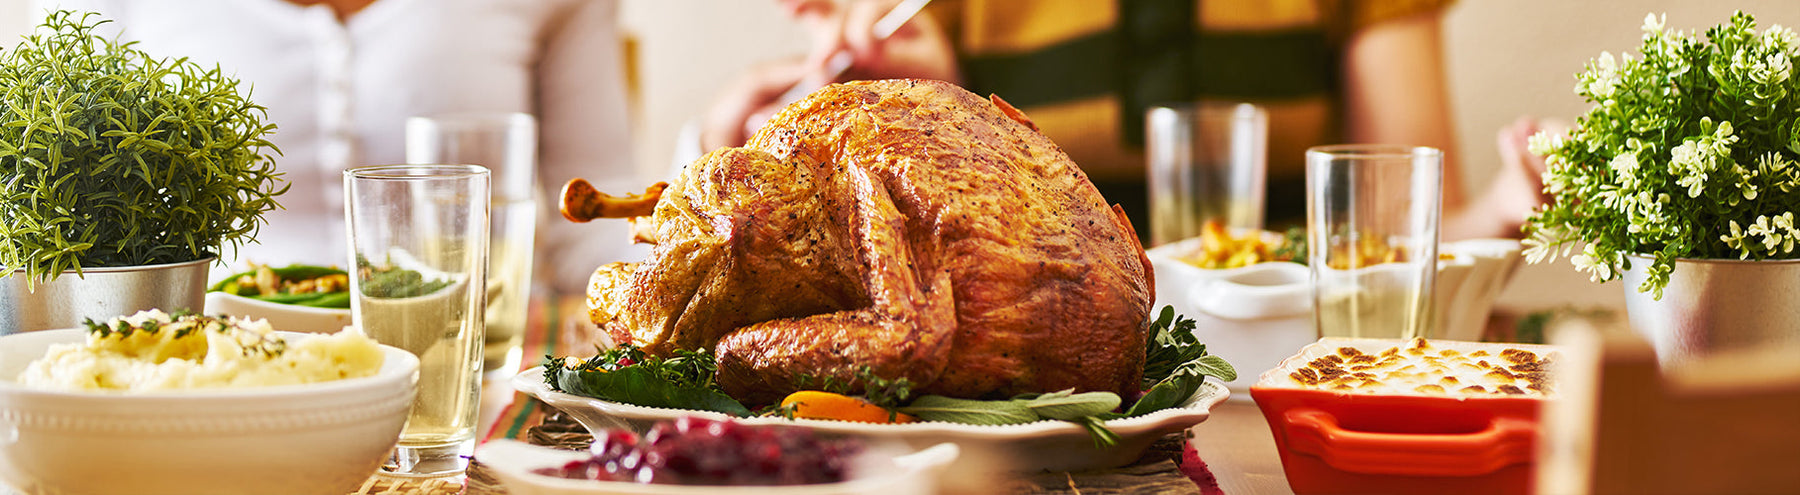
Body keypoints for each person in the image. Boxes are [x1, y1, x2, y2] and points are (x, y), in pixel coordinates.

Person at [699, 0, 1549, 241]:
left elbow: (1406, 233)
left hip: (1283, 377)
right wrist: (926, 104)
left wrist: (1508, 207)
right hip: (1034, 402)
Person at [38, 0, 642, 294]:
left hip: (471, 366)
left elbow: (596, 221)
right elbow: (66, 228)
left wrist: (696, 214)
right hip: (214, 364)